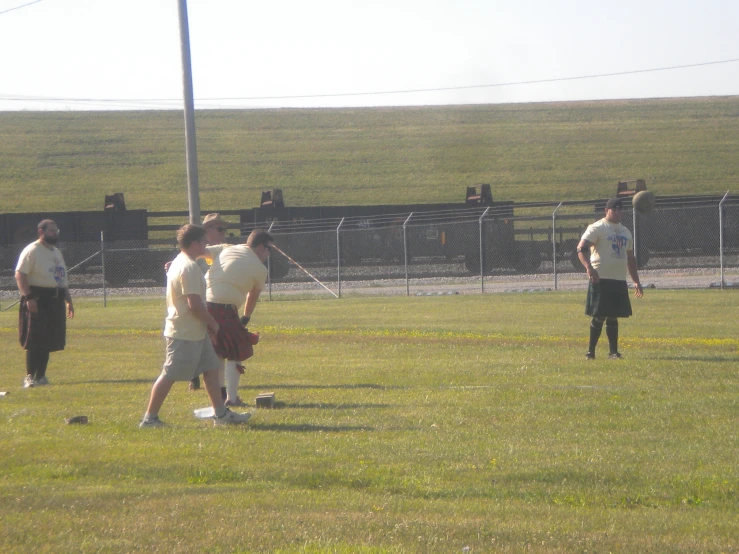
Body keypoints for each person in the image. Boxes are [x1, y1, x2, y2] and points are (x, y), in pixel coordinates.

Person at [140, 224, 251, 428]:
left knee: (211, 368)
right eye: (203, 240)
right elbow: (194, 305)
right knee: (170, 374)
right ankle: (150, 418)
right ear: (193, 243)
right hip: (184, 332)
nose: (206, 243)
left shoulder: (181, 261)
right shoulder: (189, 267)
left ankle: (220, 414)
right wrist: (213, 324)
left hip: (195, 331)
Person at [206, 229, 272, 406]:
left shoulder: (227, 248)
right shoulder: (260, 269)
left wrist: (174, 262)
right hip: (224, 308)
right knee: (236, 351)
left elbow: (200, 251)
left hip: (203, 305)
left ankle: (220, 397)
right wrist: (245, 318)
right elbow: (252, 296)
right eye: (268, 249)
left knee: (218, 351)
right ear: (259, 246)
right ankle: (231, 399)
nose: (268, 254)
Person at [577, 197, 644, 360]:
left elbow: (630, 258)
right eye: (615, 210)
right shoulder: (597, 228)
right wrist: (588, 267)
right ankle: (590, 352)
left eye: (620, 210)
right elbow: (581, 248)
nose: (618, 212)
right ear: (606, 211)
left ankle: (613, 352)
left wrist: (636, 281)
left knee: (613, 315)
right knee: (600, 314)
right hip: (600, 277)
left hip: (618, 278)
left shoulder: (625, 231)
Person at [15, 219, 74, 388]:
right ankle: (29, 377)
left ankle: (41, 375)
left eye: (56, 231)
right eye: (51, 231)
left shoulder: (56, 252)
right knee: (35, 337)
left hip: (54, 298)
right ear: (41, 232)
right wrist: (29, 298)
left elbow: (60, 278)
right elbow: (20, 274)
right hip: (37, 297)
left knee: (48, 338)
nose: (55, 234)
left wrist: (68, 299)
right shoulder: (32, 250)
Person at [188, 213, 231, 392]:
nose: (223, 233)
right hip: (196, 302)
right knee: (195, 339)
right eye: (220, 229)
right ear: (207, 230)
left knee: (214, 344)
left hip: (213, 302)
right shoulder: (194, 251)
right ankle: (195, 376)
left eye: (224, 230)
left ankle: (217, 387)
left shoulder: (223, 250)